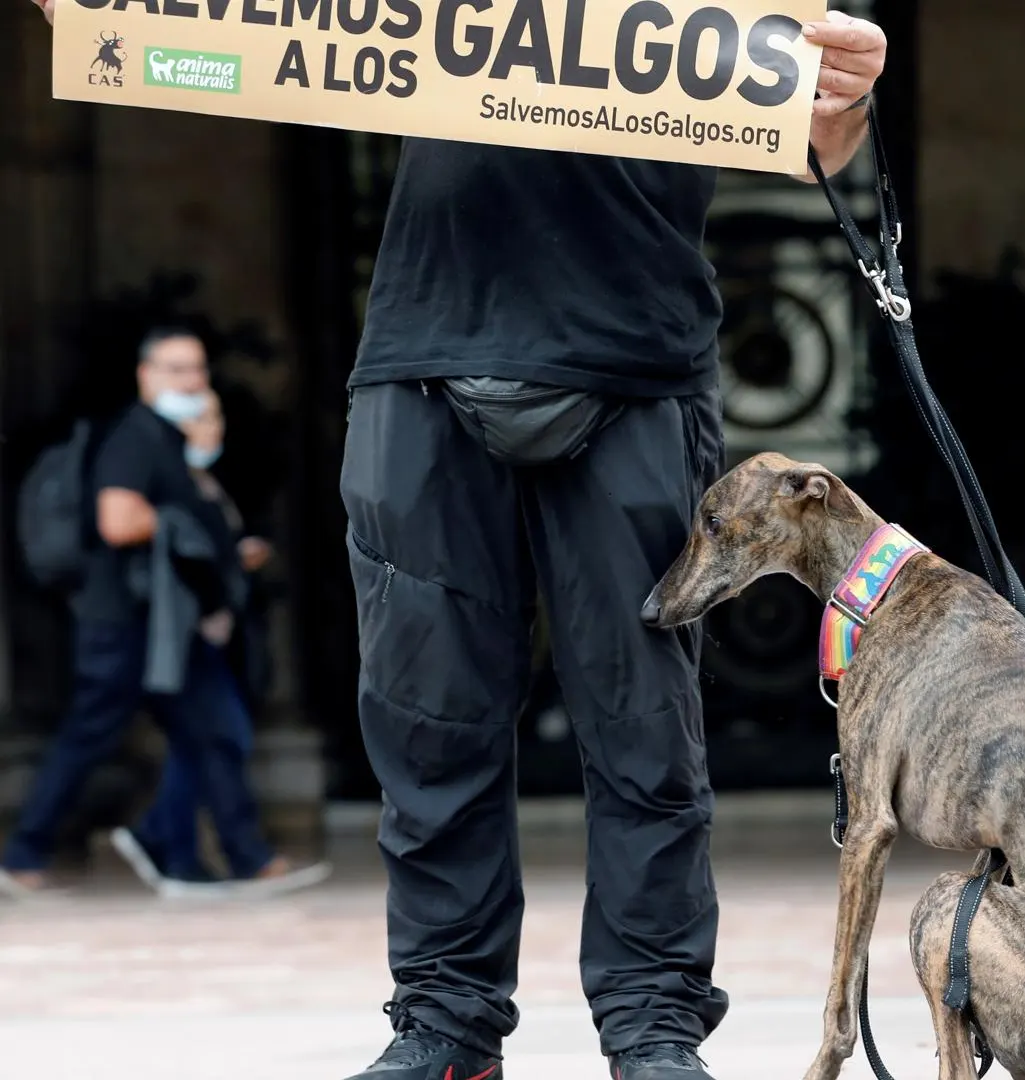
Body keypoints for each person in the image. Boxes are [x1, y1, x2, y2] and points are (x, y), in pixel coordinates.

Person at [26, 1, 890, 1076]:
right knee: (427, 722)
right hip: (424, 348)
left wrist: (844, 94)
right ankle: (445, 1026)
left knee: (643, 731)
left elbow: (815, 135)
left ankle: (654, 1030)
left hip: (632, 358)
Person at [0, 327, 327, 897]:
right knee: (92, 735)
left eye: (198, 370)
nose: (192, 382)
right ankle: (29, 852)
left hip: (166, 624)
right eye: (177, 370)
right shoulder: (135, 438)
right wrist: (193, 532)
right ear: (146, 375)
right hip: (125, 621)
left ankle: (220, 856)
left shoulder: (169, 441)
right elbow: (118, 521)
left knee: (215, 728)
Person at [110, 388, 296, 889]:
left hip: (208, 635)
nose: (210, 428)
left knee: (199, 744)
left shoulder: (206, 484)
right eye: (200, 417)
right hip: (181, 634)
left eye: (215, 416)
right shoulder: (167, 484)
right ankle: (242, 855)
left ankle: (173, 850)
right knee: (223, 733)